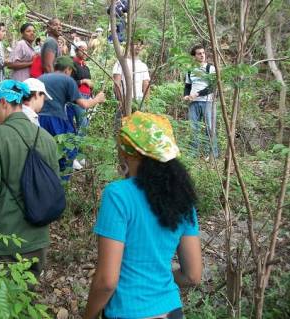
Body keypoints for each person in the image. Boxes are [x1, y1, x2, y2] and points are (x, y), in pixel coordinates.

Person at [83, 112, 202, 319]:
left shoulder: (118, 195)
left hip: (127, 312)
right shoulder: (182, 197)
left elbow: (107, 281)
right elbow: (192, 275)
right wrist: (156, 280)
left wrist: (88, 316)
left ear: (129, 152)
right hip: (172, 311)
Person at [0, 80, 59, 277]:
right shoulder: (46, 137)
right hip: (39, 237)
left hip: (6, 237)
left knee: (3, 301)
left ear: (4, 102)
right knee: (27, 299)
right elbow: (54, 186)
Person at [38, 56, 105, 171]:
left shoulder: (41, 78)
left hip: (39, 120)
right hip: (57, 119)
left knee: (44, 151)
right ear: (67, 69)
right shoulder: (68, 80)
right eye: (71, 71)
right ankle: (63, 179)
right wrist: (97, 99)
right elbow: (84, 104)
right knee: (67, 152)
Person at [183, 44, 218, 159]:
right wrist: (186, 95)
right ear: (194, 56)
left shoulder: (210, 68)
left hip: (208, 101)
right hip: (193, 102)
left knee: (210, 127)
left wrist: (197, 94)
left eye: (203, 53)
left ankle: (212, 153)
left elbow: (213, 86)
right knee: (194, 128)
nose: (202, 55)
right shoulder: (190, 70)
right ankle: (193, 153)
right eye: (199, 53)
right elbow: (188, 85)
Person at [112, 40, 150, 104]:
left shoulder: (143, 66)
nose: (138, 46)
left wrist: (147, 104)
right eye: (135, 43)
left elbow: (146, 85)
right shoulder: (121, 63)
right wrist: (121, 101)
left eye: (140, 44)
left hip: (138, 101)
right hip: (124, 99)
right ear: (129, 46)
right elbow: (117, 84)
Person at [71, 41, 93, 132]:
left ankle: (78, 145)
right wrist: (83, 81)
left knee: (85, 124)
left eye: (86, 50)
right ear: (76, 51)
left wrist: (91, 89)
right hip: (78, 97)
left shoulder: (85, 66)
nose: (84, 52)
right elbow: (69, 82)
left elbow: (89, 81)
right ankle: (76, 145)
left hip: (87, 97)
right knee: (83, 125)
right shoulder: (72, 64)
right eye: (82, 50)